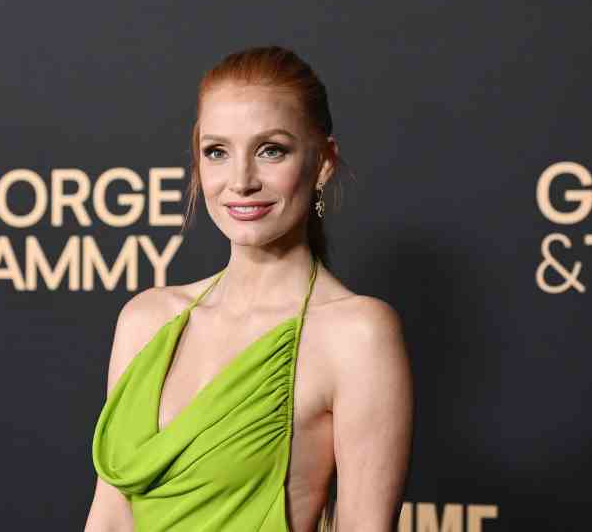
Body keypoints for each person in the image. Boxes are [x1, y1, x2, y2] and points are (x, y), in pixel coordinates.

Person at [84, 45, 413, 532]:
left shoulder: (356, 334)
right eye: (217, 151)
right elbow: (110, 518)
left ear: (322, 162)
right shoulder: (145, 318)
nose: (240, 181)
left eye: (271, 150)